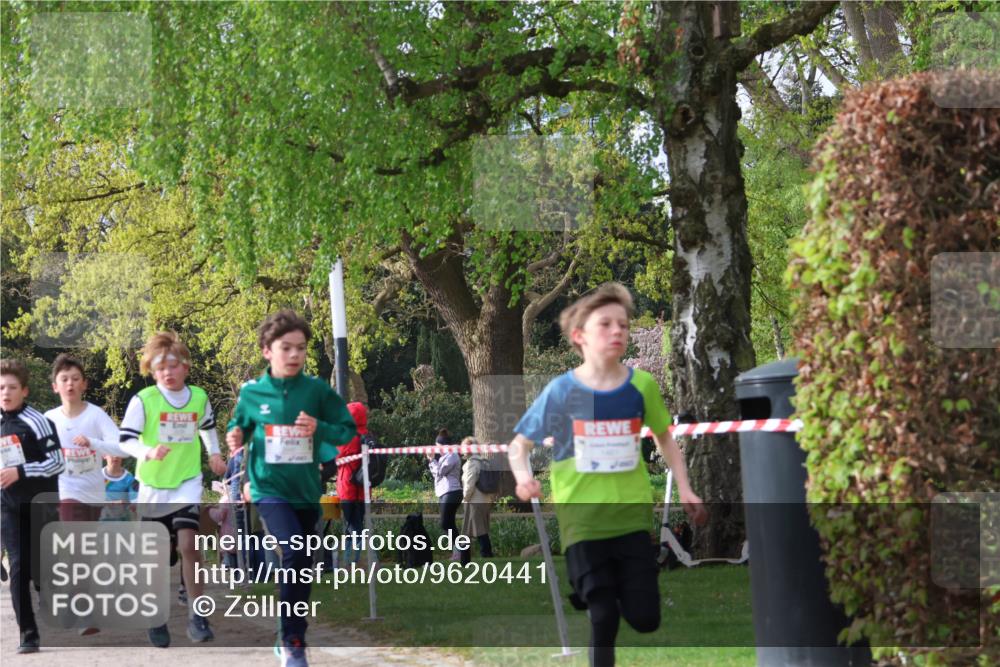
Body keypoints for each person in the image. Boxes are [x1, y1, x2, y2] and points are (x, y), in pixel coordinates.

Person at [506, 283, 707, 667]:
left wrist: (685, 487)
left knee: (646, 619)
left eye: (624, 325)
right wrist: (522, 479)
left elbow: (666, 440)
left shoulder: (641, 386)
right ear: (579, 336)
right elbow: (519, 446)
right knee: (604, 616)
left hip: (630, 519)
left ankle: (596, 587)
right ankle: (594, 589)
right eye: (606, 325)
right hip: (581, 522)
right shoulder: (561, 391)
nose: (618, 332)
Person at [226, 309, 356, 667]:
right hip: (268, 489)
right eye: (287, 348)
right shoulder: (252, 392)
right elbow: (241, 427)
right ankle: (293, 640)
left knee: (301, 566)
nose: (295, 355)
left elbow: (346, 430)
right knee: (295, 554)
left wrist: (320, 428)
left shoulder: (316, 391)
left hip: (305, 490)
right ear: (268, 350)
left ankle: (290, 630)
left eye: (301, 348)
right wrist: (235, 435)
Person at [118, 331, 227, 648]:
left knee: (189, 544)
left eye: (173, 365)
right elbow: (125, 440)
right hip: (153, 486)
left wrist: (215, 454)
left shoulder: (198, 397)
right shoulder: (144, 400)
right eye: (160, 366)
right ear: (152, 371)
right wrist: (147, 452)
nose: (167, 371)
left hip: (186, 482)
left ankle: (198, 614)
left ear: (186, 367)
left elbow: (207, 427)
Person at [1, 358, 65, 654]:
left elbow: (57, 463)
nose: (5, 392)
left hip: (41, 506)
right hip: (9, 508)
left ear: (24, 390)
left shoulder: (38, 421)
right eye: (1, 387)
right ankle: (28, 632)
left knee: (42, 572)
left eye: (12, 387)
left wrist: (22, 471)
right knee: (17, 567)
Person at [45, 354, 124, 523]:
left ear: (84, 384)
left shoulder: (96, 415)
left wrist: (93, 443)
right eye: (64, 379)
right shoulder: (49, 419)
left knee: (86, 545)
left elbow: (121, 447)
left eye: (75, 379)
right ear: (55, 386)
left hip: (94, 494)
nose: (70, 384)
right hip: (65, 491)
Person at [335, 402, 369, 567]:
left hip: (348, 488)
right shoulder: (366, 435)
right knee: (357, 524)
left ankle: (360, 559)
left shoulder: (348, 437)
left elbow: (333, 455)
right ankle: (350, 560)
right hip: (363, 490)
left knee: (352, 526)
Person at [458, 436, 496, 565]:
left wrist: (465, 498)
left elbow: (469, 484)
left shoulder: (471, 464)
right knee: (479, 529)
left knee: (474, 530)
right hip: (484, 499)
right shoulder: (483, 461)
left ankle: (480, 555)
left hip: (474, 500)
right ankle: (481, 554)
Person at [426, 428, 462, 561]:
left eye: (437, 446)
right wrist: (433, 462)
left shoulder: (452, 456)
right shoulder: (443, 457)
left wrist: (431, 461)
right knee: (449, 523)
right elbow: (437, 474)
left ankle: (461, 549)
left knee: (445, 523)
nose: (436, 449)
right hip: (444, 492)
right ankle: (458, 553)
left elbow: (440, 472)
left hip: (451, 491)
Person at [101, 454, 139, 522]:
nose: (115, 456)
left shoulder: (130, 479)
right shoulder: (97, 477)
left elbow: (135, 504)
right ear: (104, 455)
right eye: (112, 453)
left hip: (122, 523)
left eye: (118, 453)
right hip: (100, 523)